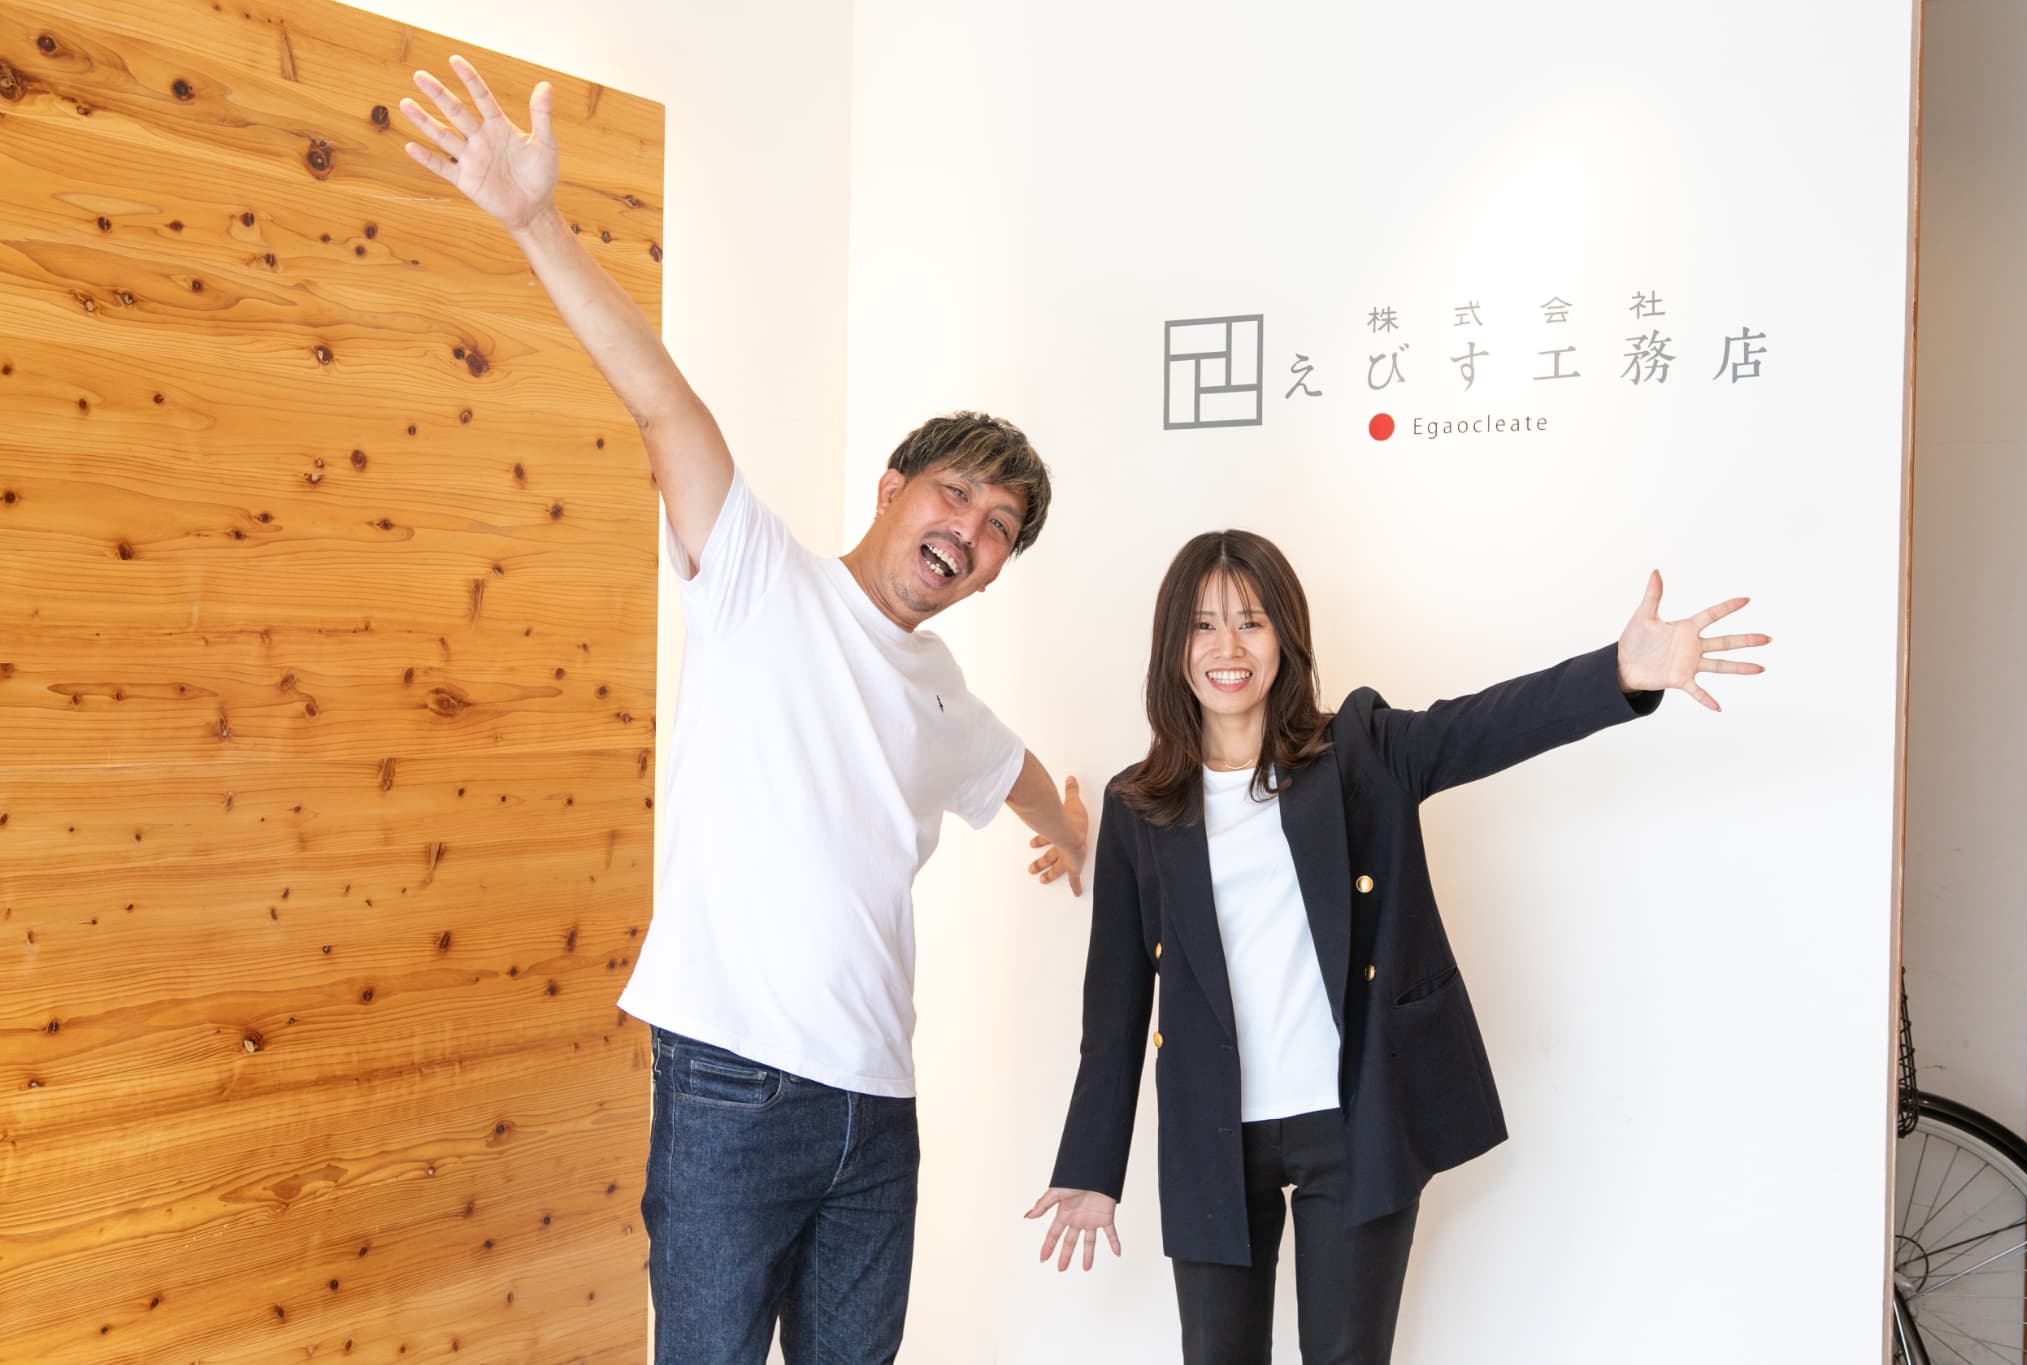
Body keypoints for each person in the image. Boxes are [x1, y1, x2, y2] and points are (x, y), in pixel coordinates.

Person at [397, 57, 1091, 1365]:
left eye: (999, 528)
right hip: (731, 1086)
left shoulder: (942, 690)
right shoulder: (758, 574)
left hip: (877, 1110)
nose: (969, 531)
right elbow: (662, 400)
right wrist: (536, 222)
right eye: (954, 495)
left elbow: (1011, 771)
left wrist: (1072, 832)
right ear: (892, 486)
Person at [1025, 531, 1766, 1364]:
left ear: (1286, 638)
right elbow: (1116, 1006)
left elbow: (1482, 726)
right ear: (1173, 646)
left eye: (1252, 621)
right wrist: (1091, 1163)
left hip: (1351, 1122)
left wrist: (1619, 671)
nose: (1228, 647)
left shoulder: (1359, 755)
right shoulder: (1140, 807)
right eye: (1203, 625)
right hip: (1210, 1131)